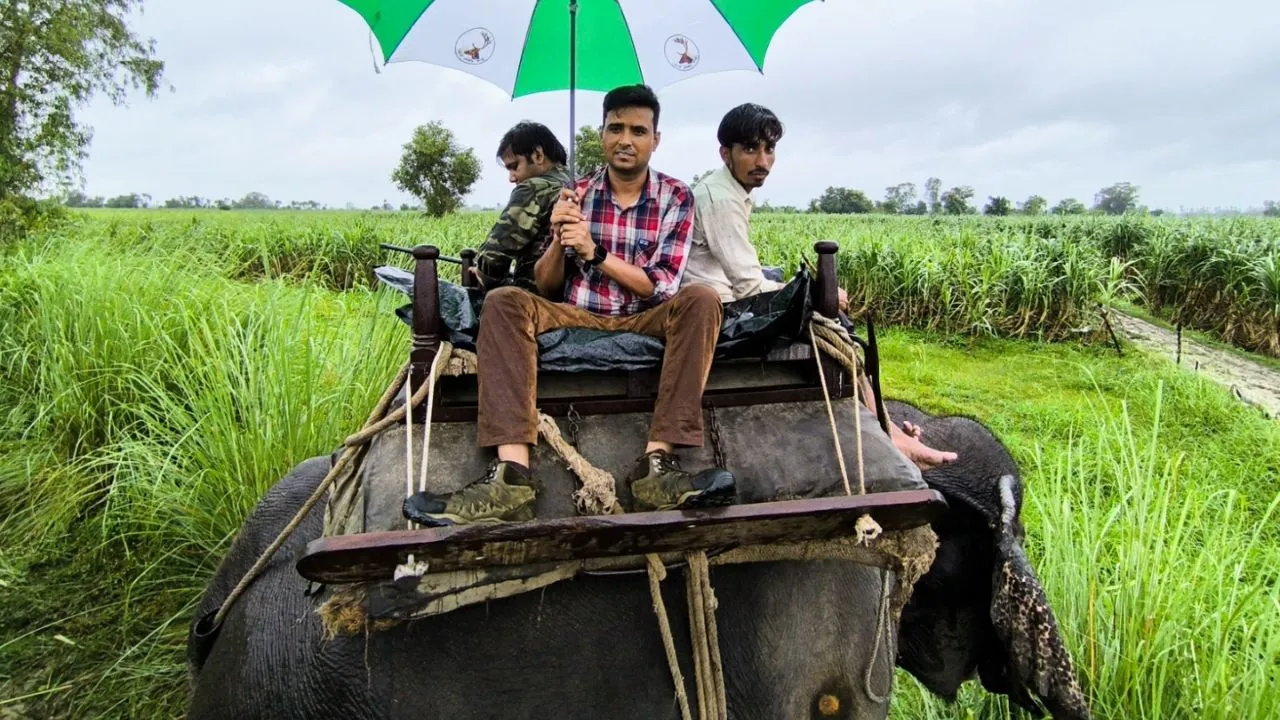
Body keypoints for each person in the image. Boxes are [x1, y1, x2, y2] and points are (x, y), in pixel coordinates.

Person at [404, 85, 736, 528]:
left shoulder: (676, 196)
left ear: (655, 139)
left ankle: (658, 465)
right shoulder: (575, 193)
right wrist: (561, 237)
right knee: (504, 302)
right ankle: (511, 476)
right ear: (601, 134)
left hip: (645, 316)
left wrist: (595, 252)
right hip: (580, 312)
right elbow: (548, 285)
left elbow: (660, 286)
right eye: (615, 128)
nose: (625, 139)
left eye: (638, 130)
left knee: (702, 299)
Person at [682, 102, 957, 470]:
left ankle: (882, 422)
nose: (762, 160)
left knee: (830, 320)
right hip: (720, 309)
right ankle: (888, 432)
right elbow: (748, 285)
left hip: (722, 294)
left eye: (769, 149)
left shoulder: (730, 190)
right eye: (750, 149)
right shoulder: (720, 199)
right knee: (834, 329)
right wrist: (815, 296)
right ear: (725, 153)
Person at [470, 121, 574, 292]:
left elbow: (494, 255)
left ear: (538, 155)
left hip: (534, 299)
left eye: (514, 166)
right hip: (572, 298)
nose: (511, 178)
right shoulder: (577, 183)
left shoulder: (533, 188)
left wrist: (483, 275)